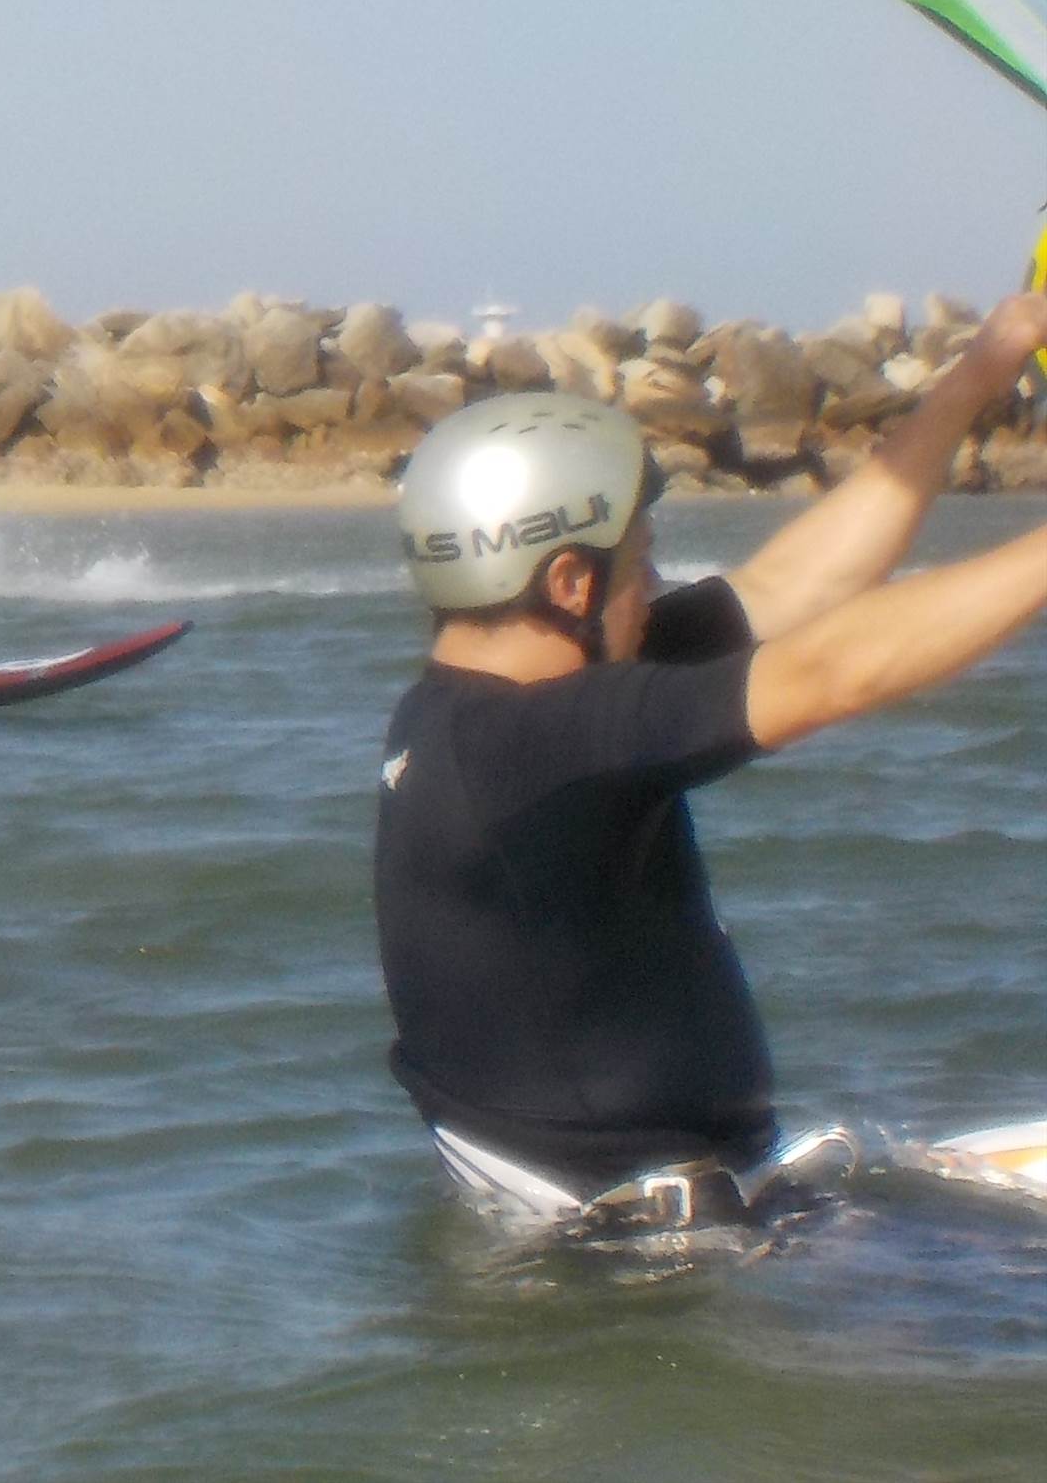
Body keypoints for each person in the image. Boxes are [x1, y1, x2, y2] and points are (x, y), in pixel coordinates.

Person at [373, 297, 1047, 1220]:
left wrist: (981, 372)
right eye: (641, 562)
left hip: (651, 1220)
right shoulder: (538, 749)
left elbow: (797, 586)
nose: (653, 588)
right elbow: (832, 671)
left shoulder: (477, 717)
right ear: (569, 582)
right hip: (635, 1261)